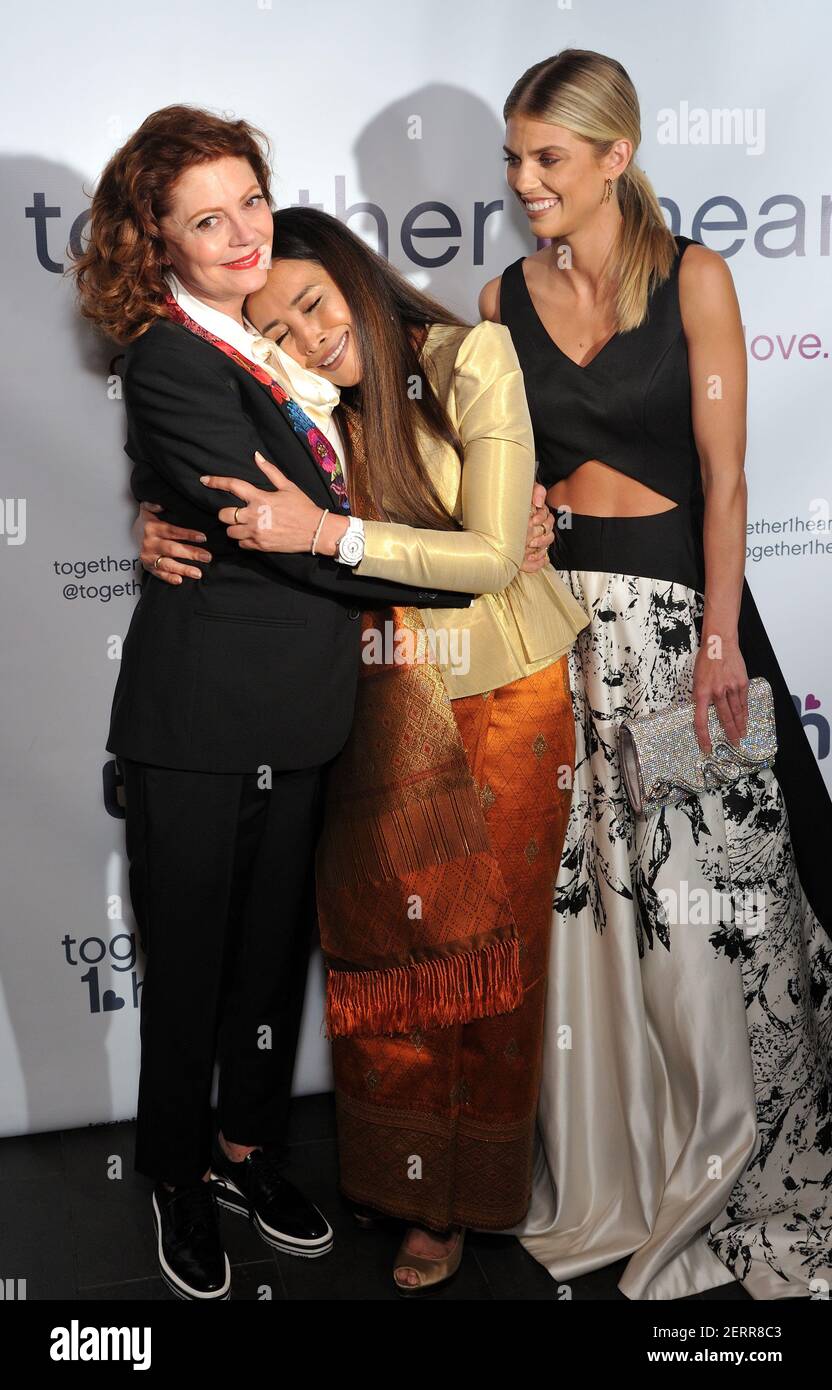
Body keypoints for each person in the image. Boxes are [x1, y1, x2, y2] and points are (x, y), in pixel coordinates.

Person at [70, 105, 483, 1301]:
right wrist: (464, 544)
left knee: (268, 962)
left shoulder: (278, 335)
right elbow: (284, 532)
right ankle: (175, 1176)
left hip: (310, 707)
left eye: (251, 199)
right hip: (197, 717)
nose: (245, 232)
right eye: (208, 218)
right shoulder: (168, 355)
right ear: (158, 244)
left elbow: (352, 457)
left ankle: (248, 1151)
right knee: (190, 962)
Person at [138, 204, 590, 1293]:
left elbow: (487, 554)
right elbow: (220, 493)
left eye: (311, 303)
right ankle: (401, 1189)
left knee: (488, 969)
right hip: (364, 701)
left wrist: (327, 530)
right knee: (387, 967)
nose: (304, 336)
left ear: (352, 273)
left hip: (499, 694)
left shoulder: (470, 355)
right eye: (277, 330)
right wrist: (155, 520)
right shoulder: (293, 403)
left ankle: (469, 1198)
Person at [478, 48, 832, 1299]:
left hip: (684, 637)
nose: (524, 181)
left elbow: (727, 481)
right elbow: (502, 481)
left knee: (702, 924)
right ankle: (617, 1166)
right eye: (515, 157)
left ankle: (736, 1157)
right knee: (603, 919)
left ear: (615, 158)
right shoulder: (499, 298)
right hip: (563, 639)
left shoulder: (696, 279)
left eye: (548, 158)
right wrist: (512, 527)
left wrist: (724, 639)